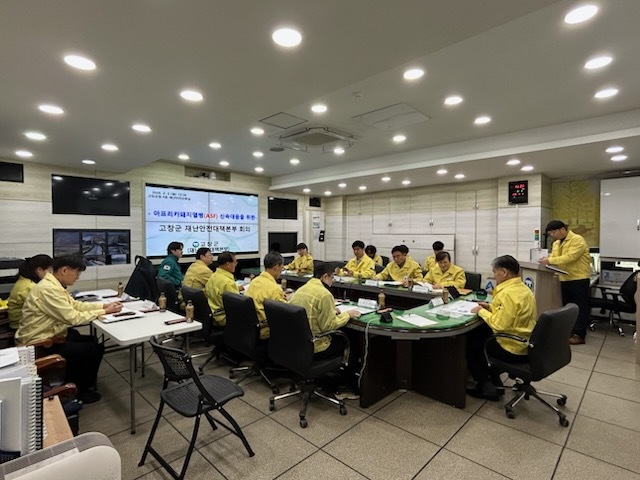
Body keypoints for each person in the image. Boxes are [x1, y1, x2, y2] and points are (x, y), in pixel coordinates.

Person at [16, 255, 123, 403]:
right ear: (64, 270)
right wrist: (105, 311)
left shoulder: (53, 284)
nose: (78, 277)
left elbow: (75, 305)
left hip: (50, 335)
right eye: (77, 272)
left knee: (91, 340)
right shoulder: (48, 289)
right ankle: (79, 391)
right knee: (94, 349)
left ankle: (78, 380)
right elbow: (72, 317)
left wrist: (104, 306)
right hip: (39, 343)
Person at [466, 255, 537, 400]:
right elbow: (510, 312)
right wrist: (490, 307)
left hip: (511, 346)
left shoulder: (507, 293)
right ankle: (494, 380)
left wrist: (481, 311)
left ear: (503, 272)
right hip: (525, 341)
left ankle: (486, 386)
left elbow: (500, 325)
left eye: (494, 272)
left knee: (472, 344)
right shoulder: (523, 289)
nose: (493, 276)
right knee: (481, 333)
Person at [290, 262, 361, 359]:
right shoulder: (325, 294)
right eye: (332, 278)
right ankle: (350, 368)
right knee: (352, 338)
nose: (332, 282)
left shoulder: (301, 289)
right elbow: (329, 326)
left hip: (298, 343)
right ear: (325, 277)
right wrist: (347, 314)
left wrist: (332, 311)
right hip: (315, 345)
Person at [538, 220, 591, 345]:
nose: (552, 235)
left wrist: (549, 260)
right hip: (564, 278)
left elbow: (570, 257)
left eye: (554, 232)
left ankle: (579, 334)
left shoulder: (577, 240)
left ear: (563, 229)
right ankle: (570, 332)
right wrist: (546, 260)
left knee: (580, 307)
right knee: (568, 308)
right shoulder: (556, 243)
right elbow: (555, 258)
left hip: (578, 278)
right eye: (550, 233)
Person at [244, 251, 286, 339]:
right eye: (281, 268)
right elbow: (282, 313)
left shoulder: (254, 281)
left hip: (248, 328)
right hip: (264, 330)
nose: (281, 271)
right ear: (276, 268)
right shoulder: (275, 289)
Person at [7, 254, 53, 330]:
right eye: (49, 271)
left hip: (25, 323)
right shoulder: (29, 287)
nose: (51, 275)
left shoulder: (24, 281)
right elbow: (46, 307)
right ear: (39, 270)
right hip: (23, 326)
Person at [204, 251, 241, 326]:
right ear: (228, 264)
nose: (236, 265)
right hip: (224, 317)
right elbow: (237, 305)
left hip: (213, 315)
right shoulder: (228, 283)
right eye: (235, 262)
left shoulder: (213, 277)